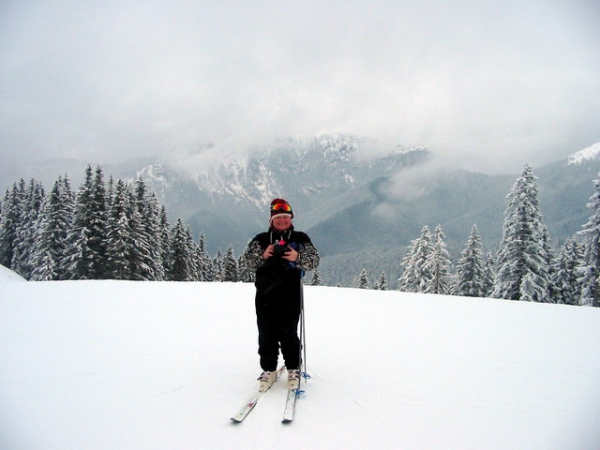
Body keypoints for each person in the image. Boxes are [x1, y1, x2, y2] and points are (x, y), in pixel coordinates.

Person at [243, 198, 319, 391]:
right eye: (278, 217)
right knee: (266, 333)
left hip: (291, 294)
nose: (282, 220)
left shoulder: (301, 238)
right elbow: (246, 262)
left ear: (291, 218)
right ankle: (268, 369)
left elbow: (314, 261)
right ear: (271, 220)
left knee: (289, 333)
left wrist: (298, 257)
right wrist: (263, 256)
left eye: (286, 217)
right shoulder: (261, 239)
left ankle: (293, 368)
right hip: (265, 295)